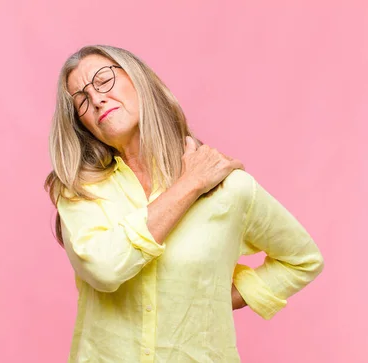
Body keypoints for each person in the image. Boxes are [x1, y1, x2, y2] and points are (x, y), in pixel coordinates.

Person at [45, 45, 325, 362]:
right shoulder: (79, 190)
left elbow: (303, 259)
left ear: (139, 80)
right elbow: (105, 268)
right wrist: (190, 184)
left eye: (104, 80)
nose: (96, 99)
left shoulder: (230, 189)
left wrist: (222, 298)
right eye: (80, 100)